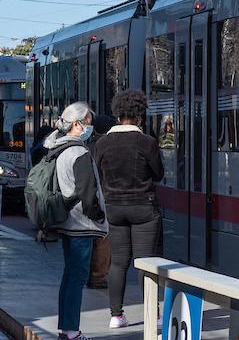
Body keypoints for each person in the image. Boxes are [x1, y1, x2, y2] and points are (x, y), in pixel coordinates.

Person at [93, 90, 164, 329]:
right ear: (140, 116)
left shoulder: (102, 143)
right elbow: (158, 174)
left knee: (119, 263)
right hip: (143, 207)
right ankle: (152, 314)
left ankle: (116, 315)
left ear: (117, 114)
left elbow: (99, 174)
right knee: (145, 261)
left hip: (114, 208)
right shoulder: (147, 142)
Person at [43, 102, 107, 340]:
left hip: (68, 223)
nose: (91, 126)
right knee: (77, 278)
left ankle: (66, 328)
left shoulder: (58, 148)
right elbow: (88, 193)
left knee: (69, 276)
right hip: (81, 225)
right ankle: (71, 331)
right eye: (89, 121)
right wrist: (99, 216)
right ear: (78, 124)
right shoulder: (79, 152)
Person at [86, 115, 118, 290]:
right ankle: (98, 276)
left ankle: (91, 273)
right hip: (104, 197)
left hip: (89, 197)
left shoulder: (88, 146)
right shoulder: (106, 147)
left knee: (92, 239)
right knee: (103, 239)